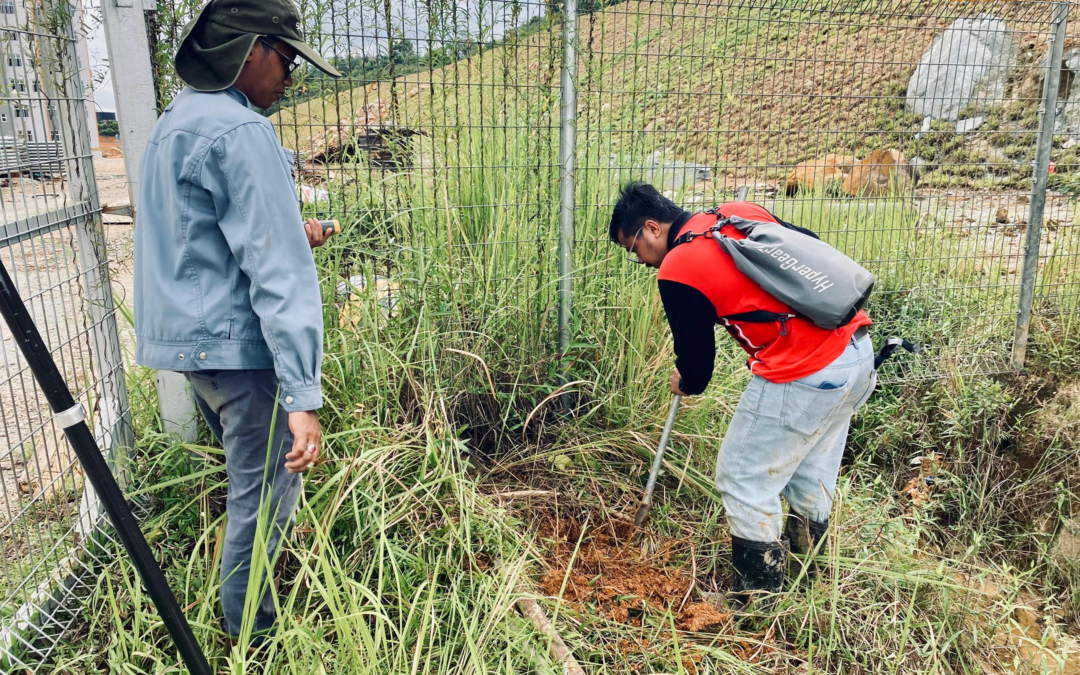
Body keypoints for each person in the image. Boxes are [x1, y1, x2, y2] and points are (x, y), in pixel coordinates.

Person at [133, 0, 341, 647]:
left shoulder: (179, 122)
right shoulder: (241, 131)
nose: (290, 76)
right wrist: (303, 396)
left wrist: (291, 231)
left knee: (250, 484)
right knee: (264, 494)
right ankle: (254, 635)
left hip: (198, 344)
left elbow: (203, 239)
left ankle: (247, 614)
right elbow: (277, 275)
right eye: (284, 58)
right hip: (242, 348)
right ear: (249, 49)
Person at [609, 182, 876, 603]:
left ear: (651, 228)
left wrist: (686, 380)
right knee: (811, 473)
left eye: (634, 248)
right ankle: (810, 582)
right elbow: (809, 248)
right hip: (856, 353)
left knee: (742, 476)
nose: (639, 260)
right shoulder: (734, 213)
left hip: (804, 369)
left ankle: (757, 600)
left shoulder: (677, 267)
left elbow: (697, 366)